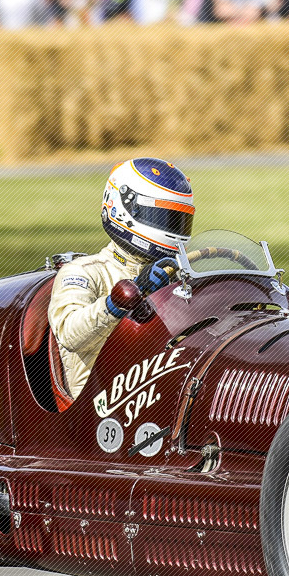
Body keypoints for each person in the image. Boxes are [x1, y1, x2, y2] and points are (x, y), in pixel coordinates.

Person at [49, 158, 195, 401]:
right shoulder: (84, 272)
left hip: (164, 394)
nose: (172, 229)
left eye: (177, 220)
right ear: (124, 208)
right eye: (161, 217)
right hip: (101, 404)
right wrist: (117, 303)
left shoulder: (177, 276)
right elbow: (70, 334)